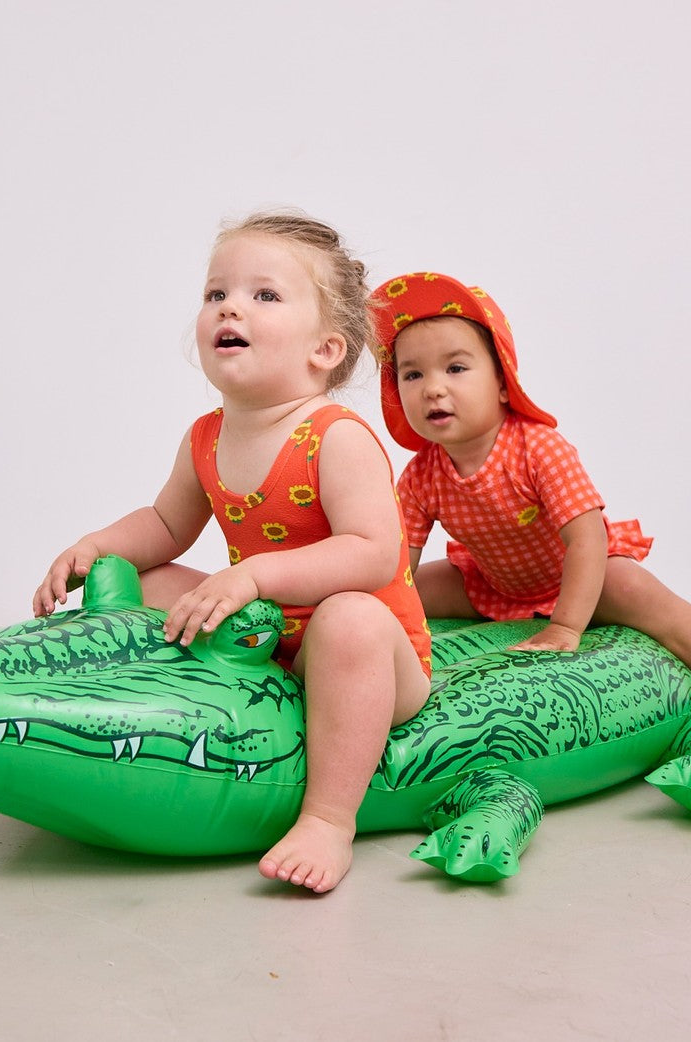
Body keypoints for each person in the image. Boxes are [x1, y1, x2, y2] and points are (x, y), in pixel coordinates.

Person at [33, 212, 432, 893]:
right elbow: (165, 523)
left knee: (350, 618)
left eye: (264, 295)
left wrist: (253, 575)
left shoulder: (335, 437)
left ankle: (330, 819)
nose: (231, 307)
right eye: (217, 293)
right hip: (266, 636)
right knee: (146, 577)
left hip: (369, 656)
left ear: (326, 350)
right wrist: (97, 548)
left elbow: (371, 556)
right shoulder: (206, 437)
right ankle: (122, 714)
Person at [371, 270, 691, 681]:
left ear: (502, 384)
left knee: (642, 595)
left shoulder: (538, 446)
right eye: (413, 374)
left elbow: (587, 537)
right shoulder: (422, 474)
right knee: (399, 589)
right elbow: (400, 560)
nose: (433, 389)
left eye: (455, 368)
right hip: (493, 585)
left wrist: (565, 626)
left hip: (583, 572)